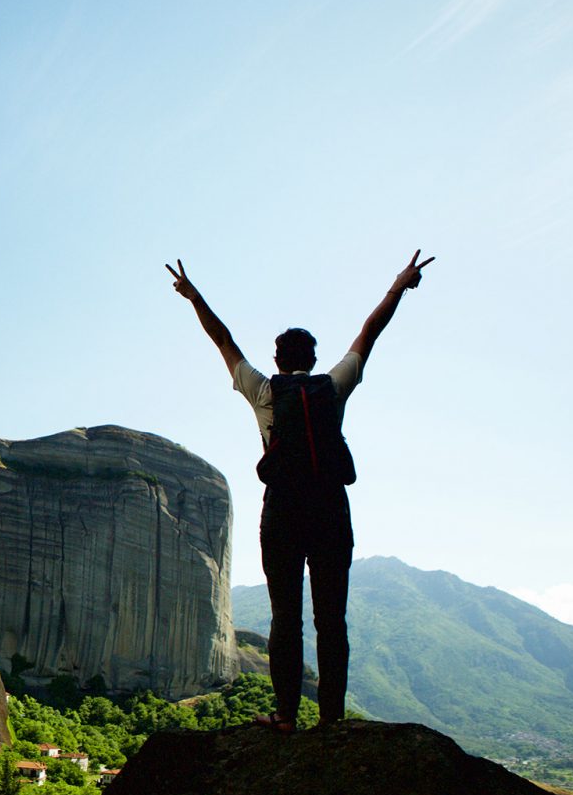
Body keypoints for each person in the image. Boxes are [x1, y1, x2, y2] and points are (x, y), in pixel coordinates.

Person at [166, 252, 434, 731]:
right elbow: (369, 334)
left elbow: (222, 340)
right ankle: (331, 717)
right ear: (312, 359)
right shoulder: (333, 386)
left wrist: (193, 296)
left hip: (283, 513)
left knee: (284, 617)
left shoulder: (263, 391)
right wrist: (399, 285)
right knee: (332, 619)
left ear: (276, 359)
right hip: (331, 510)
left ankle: (286, 716)